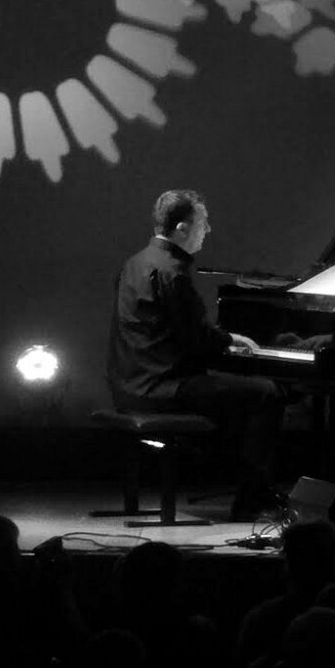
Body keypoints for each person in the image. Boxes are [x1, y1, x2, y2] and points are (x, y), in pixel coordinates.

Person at [107, 188, 284, 519]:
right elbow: (196, 341)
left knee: (235, 392)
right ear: (182, 229)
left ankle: (240, 481)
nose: (208, 229)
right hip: (162, 388)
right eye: (203, 222)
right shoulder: (172, 272)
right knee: (266, 393)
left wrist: (223, 343)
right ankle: (251, 500)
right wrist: (231, 342)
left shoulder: (134, 263)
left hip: (130, 384)